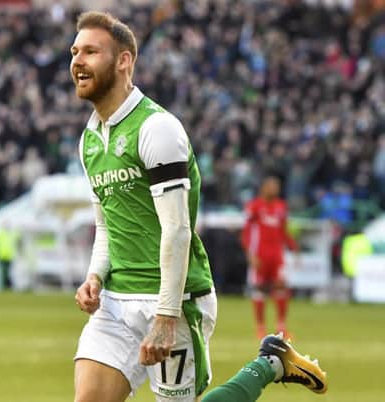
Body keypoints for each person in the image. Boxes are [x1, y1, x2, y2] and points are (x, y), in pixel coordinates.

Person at [70, 12, 327, 402]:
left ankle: (269, 364)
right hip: (115, 302)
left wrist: (166, 316)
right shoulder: (89, 138)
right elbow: (106, 225)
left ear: (124, 60)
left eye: (91, 51)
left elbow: (177, 230)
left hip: (172, 298)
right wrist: (95, 276)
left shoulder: (156, 129)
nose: (77, 61)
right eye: (75, 51)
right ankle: (272, 359)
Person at [241, 176, 299, 339]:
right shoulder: (254, 206)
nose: (274, 189)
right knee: (259, 290)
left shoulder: (281, 207)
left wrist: (294, 247)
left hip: (277, 256)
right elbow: (246, 233)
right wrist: (250, 254)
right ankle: (260, 327)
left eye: (277, 186)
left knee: (281, 289)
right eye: (271, 186)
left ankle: (281, 328)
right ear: (263, 188)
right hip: (260, 256)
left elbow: (284, 231)